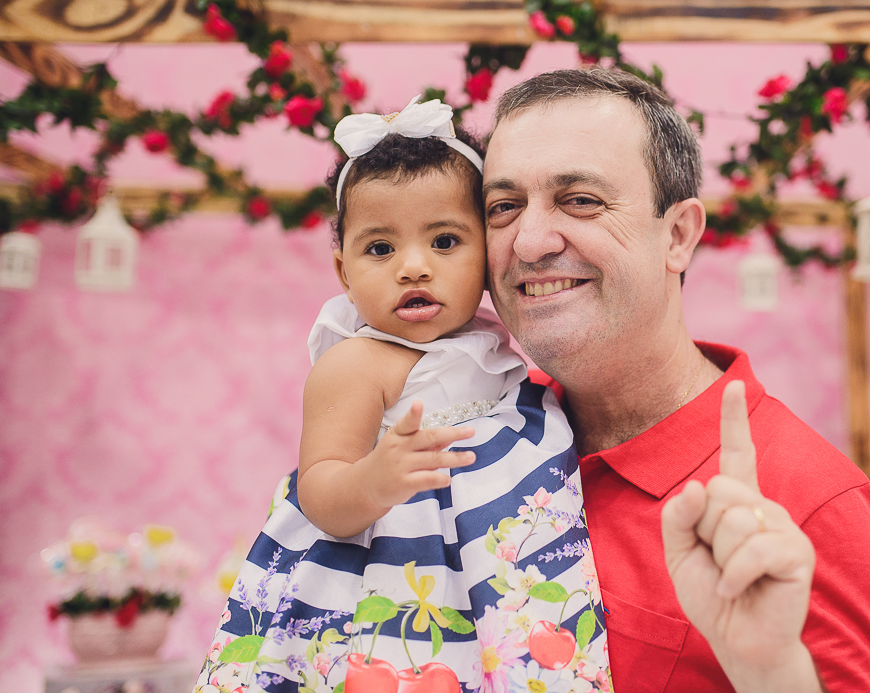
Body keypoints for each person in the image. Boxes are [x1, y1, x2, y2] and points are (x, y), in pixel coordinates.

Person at [482, 68, 870, 692]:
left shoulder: (808, 501)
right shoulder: (480, 441)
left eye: (581, 201)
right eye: (503, 207)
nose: (530, 240)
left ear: (678, 235)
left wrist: (774, 677)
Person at [194, 96, 612, 693]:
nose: (413, 268)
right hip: (393, 575)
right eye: (380, 249)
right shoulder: (357, 364)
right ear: (343, 271)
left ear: (488, 258)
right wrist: (375, 479)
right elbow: (318, 491)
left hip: (485, 573)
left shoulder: (493, 345)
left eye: (444, 242)